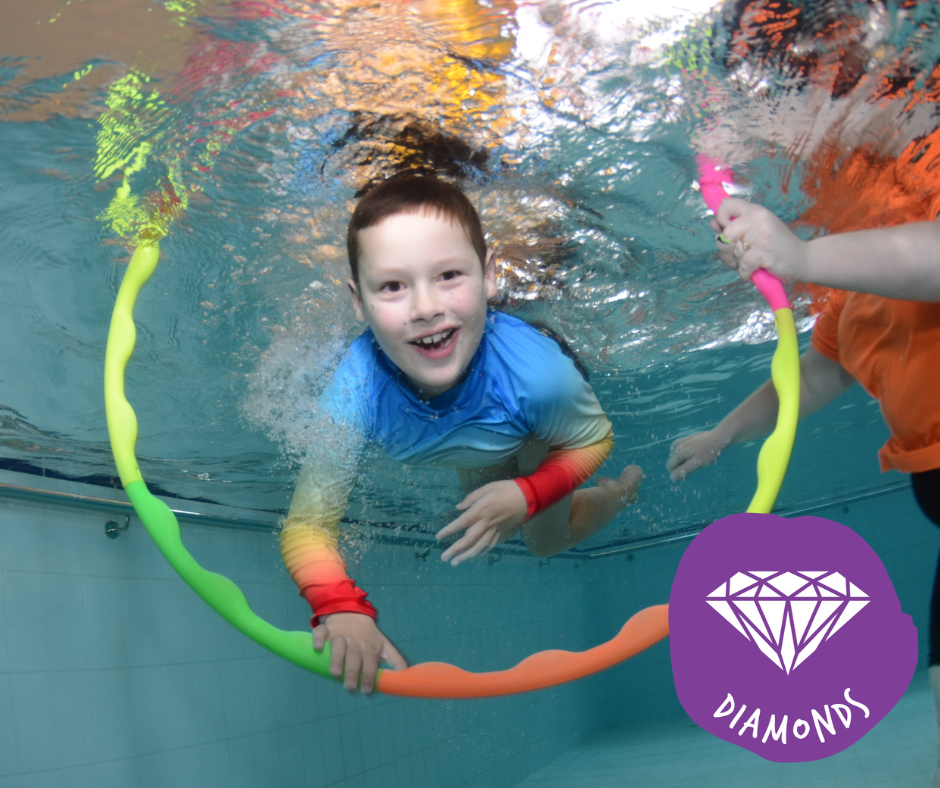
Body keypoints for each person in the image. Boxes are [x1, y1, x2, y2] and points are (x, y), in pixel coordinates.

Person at [280, 175, 644, 693]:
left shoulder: (541, 377)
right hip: (476, 436)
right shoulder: (354, 390)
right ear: (358, 303)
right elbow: (306, 525)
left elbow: (592, 441)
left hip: (536, 426)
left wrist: (528, 493)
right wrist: (338, 606)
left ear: (489, 276)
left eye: (449, 275)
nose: (425, 307)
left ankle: (622, 491)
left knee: (542, 539)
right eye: (392, 286)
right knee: (478, 511)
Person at [667, 195, 940, 781]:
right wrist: (723, 433)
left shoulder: (919, 214)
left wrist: (804, 255)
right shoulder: (848, 302)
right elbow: (809, 380)